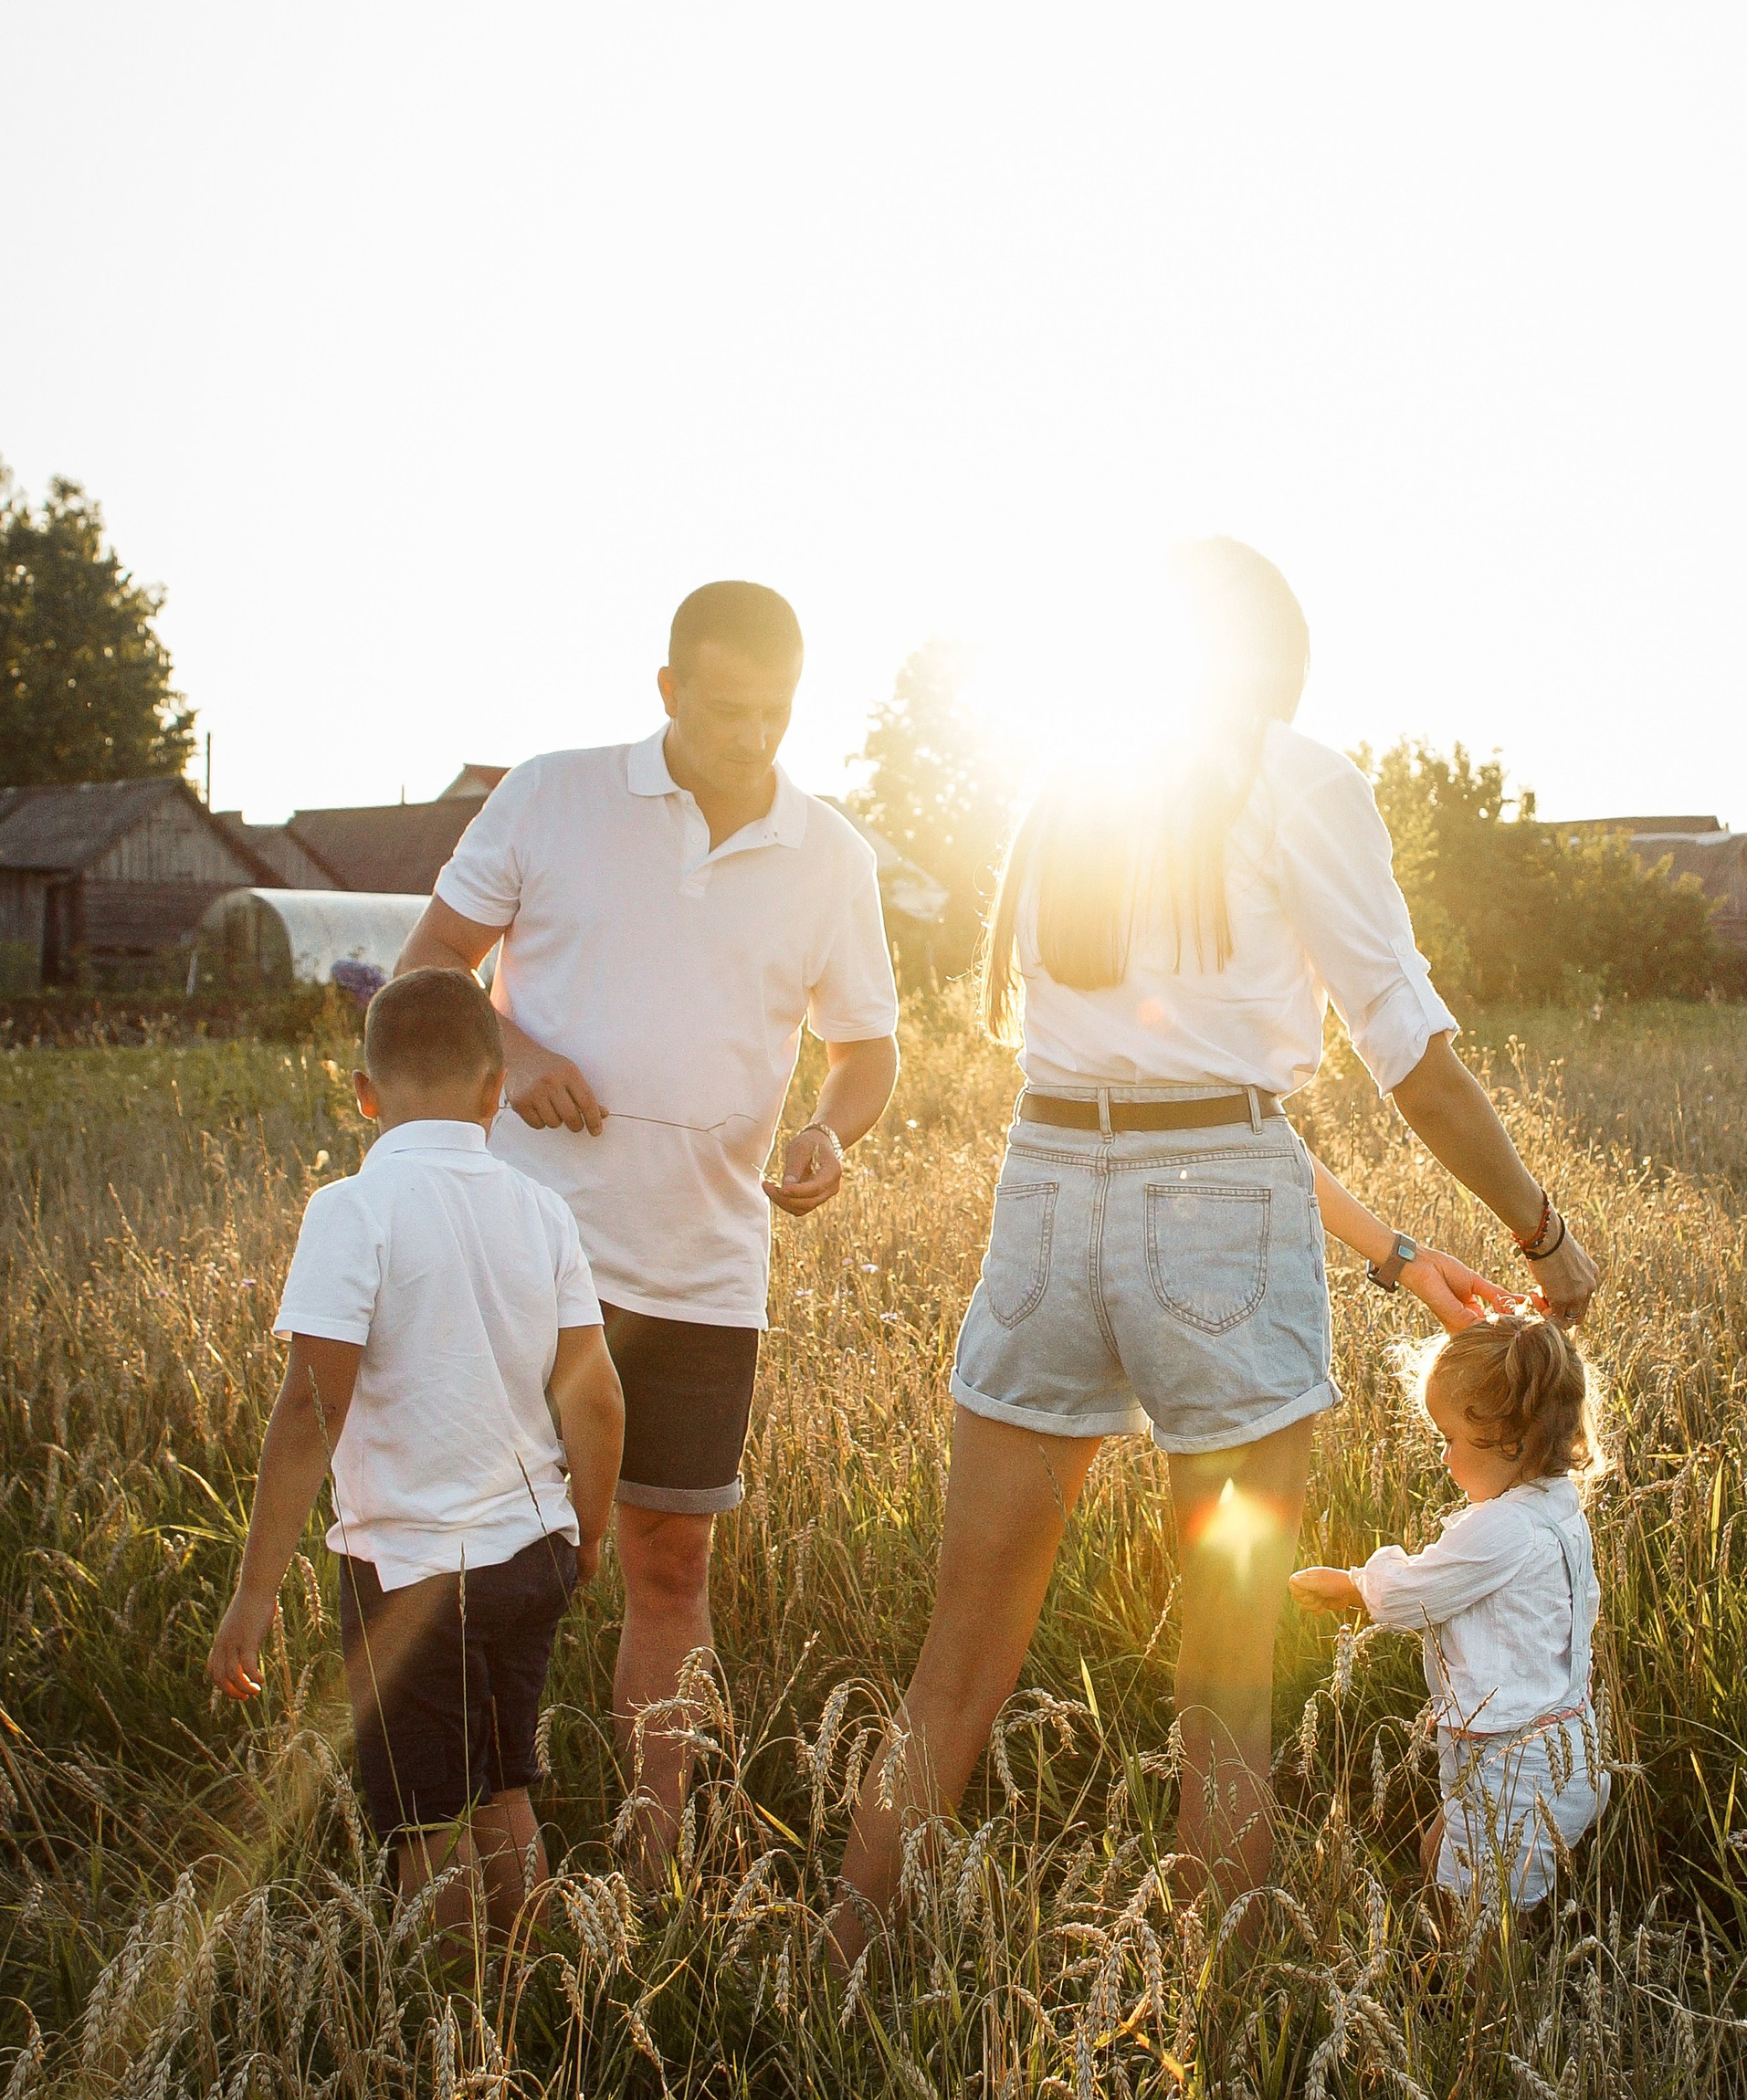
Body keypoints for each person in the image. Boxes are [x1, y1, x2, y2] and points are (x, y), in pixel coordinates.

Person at [828, 535, 1598, 1956]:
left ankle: (827, 1972)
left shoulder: (1073, 788)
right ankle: (1220, 2041)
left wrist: (1393, 1253)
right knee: (1226, 1681)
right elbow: (1405, 1062)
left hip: (1048, 1182)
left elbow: (1158, 1095)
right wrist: (1540, 1230)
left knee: (957, 1663)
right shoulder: (1294, 775)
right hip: (1221, 1212)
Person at [395, 581, 900, 1869]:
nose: (751, 735)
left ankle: (652, 1862)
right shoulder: (553, 795)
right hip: (525, 1253)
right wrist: (510, 1046)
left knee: (671, 1567)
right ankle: (469, 1849)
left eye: (776, 712)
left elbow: (866, 1049)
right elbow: (425, 968)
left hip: (705, 1268)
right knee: (484, 1559)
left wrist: (831, 1130)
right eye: (725, 708)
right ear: (669, 691)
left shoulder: (829, 852)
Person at [205, 968, 626, 1946]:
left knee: (426, 1827)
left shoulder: (351, 1209)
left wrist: (256, 1590)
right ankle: (528, 2009)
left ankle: (443, 2040)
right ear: (494, 1091)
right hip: (532, 1556)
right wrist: (587, 1532)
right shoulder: (541, 1210)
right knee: (504, 1793)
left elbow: (312, 1408)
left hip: (409, 1578)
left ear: (363, 1091)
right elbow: (598, 1395)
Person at [1289, 1310, 1608, 1915]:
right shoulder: (1560, 1505)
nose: (1443, 1458)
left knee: (1474, 1915)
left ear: (1511, 1440)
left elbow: (1417, 1593)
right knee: (1441, 1857)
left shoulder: (1503, 1528)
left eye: (1451, 1439)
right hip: (1565, 1736)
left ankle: (1485, 1999)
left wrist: (1354, 1584)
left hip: (1519, 1764)